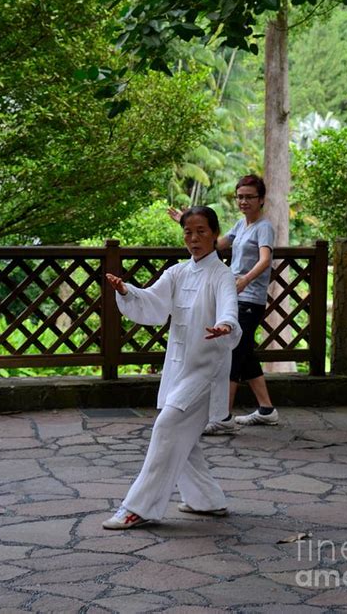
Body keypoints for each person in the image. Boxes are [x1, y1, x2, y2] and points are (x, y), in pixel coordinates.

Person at [102, 206, 242, 529]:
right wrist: (127, 291)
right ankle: (207, 499)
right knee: (184, 440)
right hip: (178, 369)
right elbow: (153, 302)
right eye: (188, 232)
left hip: (206, 372)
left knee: (167, 428)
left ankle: (140, 507)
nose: (193, 239)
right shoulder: (177, 272)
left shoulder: (221, 275)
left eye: (201, 232)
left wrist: (225, 326)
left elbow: (229, 309)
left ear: (215, 234)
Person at [168, 174, 278, 434]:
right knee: (245, 352)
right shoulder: (241, 225)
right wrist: (188, 223)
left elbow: (265, 260)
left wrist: (245, 280)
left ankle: (222, 416)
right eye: (240, 196)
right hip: (234, 294)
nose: (244, 201)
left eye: (249, 197)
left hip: (249, 297)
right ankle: (266, 409)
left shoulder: (264, 227)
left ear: (261, 199)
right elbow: (214, 244)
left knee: (231, 353)